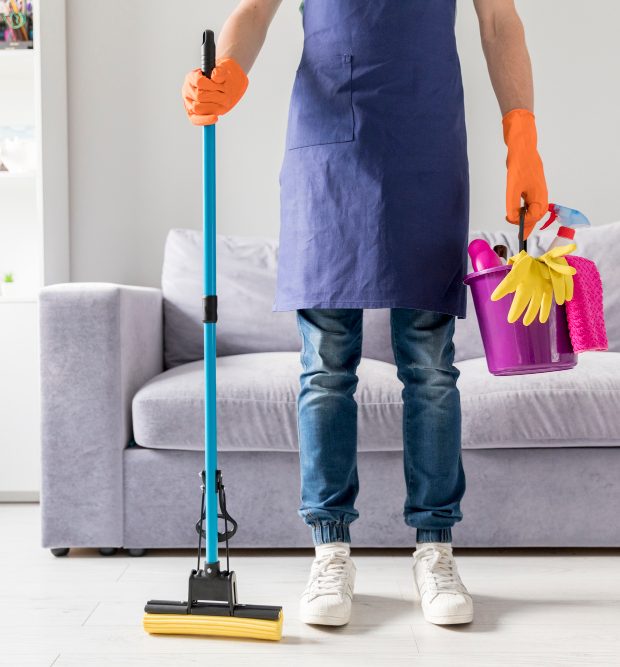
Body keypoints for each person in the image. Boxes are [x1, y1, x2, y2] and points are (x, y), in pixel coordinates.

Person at [182, 0, 548, 627]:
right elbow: (255, 10)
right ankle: (330, 550)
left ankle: (435, 549)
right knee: (326, 364)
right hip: (327, 148)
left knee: (430, 364)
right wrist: (231, 72)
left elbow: (498, 20)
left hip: (426, 142)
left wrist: (521, 131)